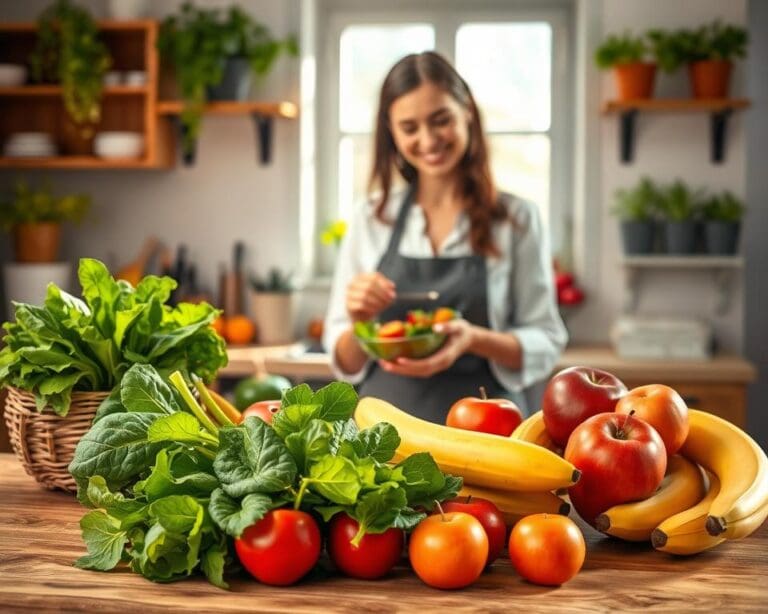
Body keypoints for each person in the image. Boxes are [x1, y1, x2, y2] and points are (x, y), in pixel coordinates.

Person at [323, 51, 567, 423]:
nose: (429, 139)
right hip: (384, 432)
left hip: (489, 430)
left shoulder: (517, 219)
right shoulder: (371, 218)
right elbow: (344, 360)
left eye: (441, 120)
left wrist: (474, 339)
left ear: (466, 111)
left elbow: (546, 338)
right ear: (391, 131)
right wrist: (360, 323)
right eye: (409, 128)